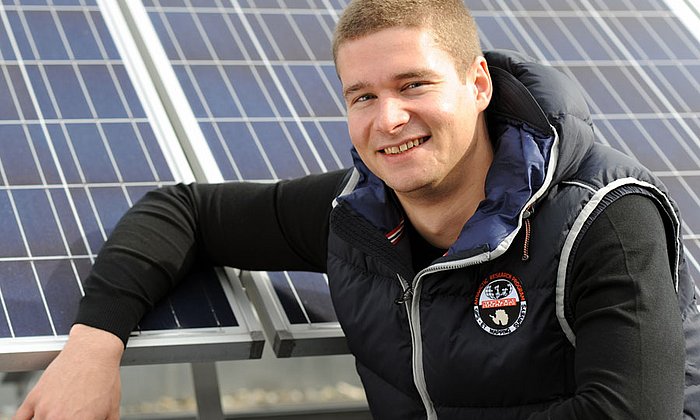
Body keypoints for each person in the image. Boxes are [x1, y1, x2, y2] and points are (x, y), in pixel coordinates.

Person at [14, 0, 700, 418]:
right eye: (363, 96)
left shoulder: (602, 218)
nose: (389, 118)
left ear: (478, 83)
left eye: (414, 84)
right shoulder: (358, 216)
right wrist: (92, 347)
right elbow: (183, 211)